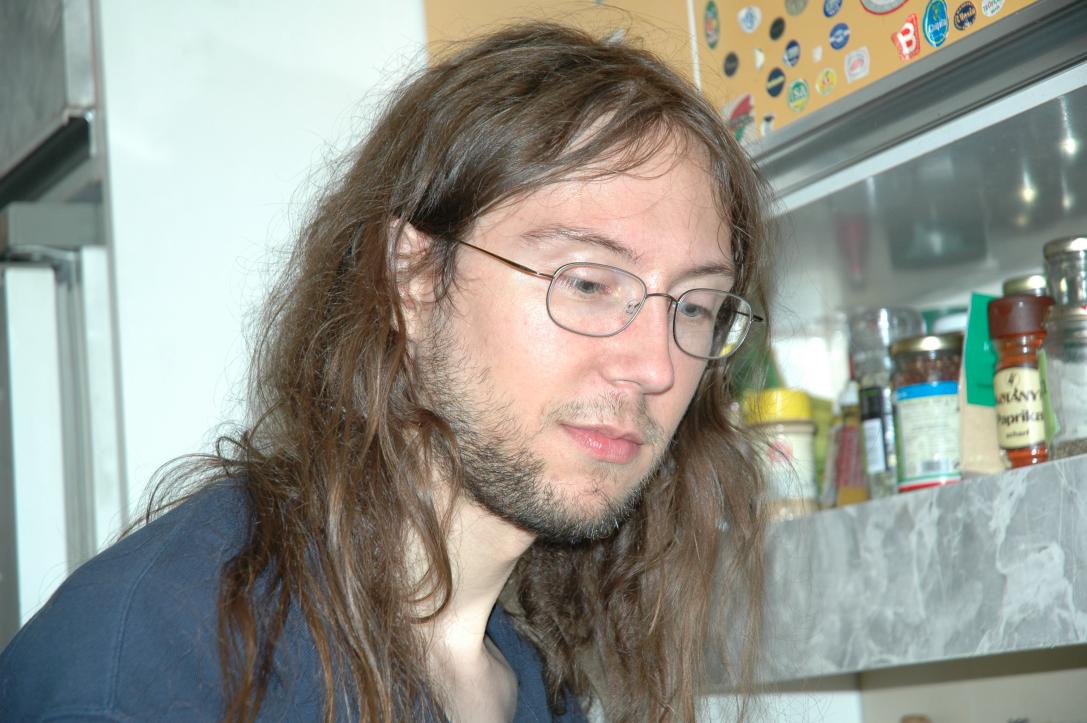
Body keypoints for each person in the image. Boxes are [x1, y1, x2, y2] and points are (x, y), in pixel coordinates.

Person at [0, 21, 771, 722]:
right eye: (588, 282)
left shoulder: (534, 683)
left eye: (695, 307)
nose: (655, 365)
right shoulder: (165, 666)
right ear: (415, 277)